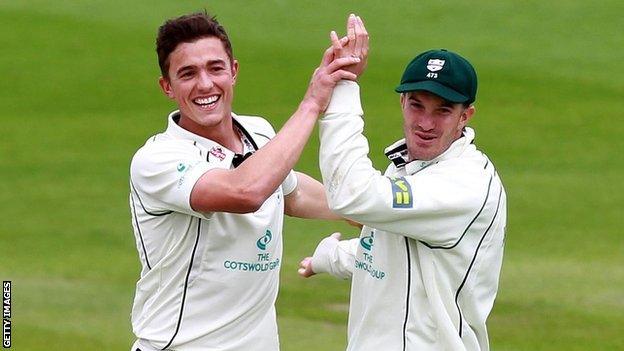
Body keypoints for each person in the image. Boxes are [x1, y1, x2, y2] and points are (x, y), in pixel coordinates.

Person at [128, 12, 361, 351]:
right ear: (167, 87)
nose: (205, 84)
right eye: (188, 73)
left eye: (215, 68)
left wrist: (367, 211)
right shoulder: (156, 161)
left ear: (233, 71)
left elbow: (291, 192)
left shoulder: (259, 131)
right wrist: (312, 103)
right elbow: (246, 191)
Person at [298, 18, 507, 351]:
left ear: (465, 116)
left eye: (442, 110)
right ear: (402, 102)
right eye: (416, 105)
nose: (425, 122)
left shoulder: (464, 183)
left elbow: (353, 196)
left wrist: (344, 86)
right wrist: (333, 257)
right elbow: (399, 251)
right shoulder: (411, 168)